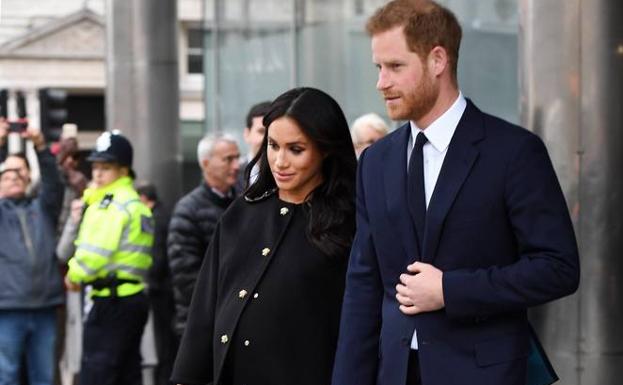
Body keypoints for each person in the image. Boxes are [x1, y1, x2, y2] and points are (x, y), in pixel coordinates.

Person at [331, 1, 580, 385]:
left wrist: (451, 289)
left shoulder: (513, 152)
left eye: (395, 66)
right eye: (378, 68)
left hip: (483, 374)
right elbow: (363, 286)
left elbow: (558, 269)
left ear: (437, 60)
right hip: (394, 372)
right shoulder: (376, 162)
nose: (381, 82)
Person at [171, 87, 357, 385]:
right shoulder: (242, 212)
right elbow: (206, 304)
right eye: (272, 145)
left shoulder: (351, 223)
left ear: (325, 149)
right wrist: (187, 375)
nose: (280, 161)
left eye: (296, 149)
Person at [65, 131, 154, 385]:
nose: (97, 174)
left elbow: (94, 254)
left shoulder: (109, 205)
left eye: (106, 167)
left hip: (110, 303)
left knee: (97, 374)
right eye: (95, 167)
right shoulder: (135, 203)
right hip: (133, 299)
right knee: (128, 373)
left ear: (123, 171)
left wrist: (74, 274)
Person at [0, 123, 65, 385]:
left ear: (29, 179)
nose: (13, 177)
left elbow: (53, 183)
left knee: (44, 377)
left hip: (44, 309)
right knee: (7, 376)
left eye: (19, 174)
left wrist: (40, 146)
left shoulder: (42, 208)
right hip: (8, 310)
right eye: (6, 175)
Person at [167, 134, 240, 339]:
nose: (236, 166)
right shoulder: (188, 210)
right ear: (206, 163)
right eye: (228, 159)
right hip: (202, 322)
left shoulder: (244, 203)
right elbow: (185, 276)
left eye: (237, 158)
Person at [136, 182, 177, 385]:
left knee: (163, 341)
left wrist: (148, 279)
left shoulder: (156, 219)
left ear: (144, 199)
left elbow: (157, 256)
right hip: (168, 287)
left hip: (161, 289)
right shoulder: (165, 214)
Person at [238, 101, 272, 189]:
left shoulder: (287, 174)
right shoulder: (233, 174)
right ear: (247, 134)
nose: (267, 139)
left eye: (271, 132)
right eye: (261, 132)